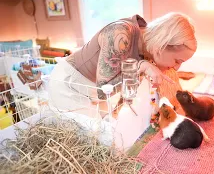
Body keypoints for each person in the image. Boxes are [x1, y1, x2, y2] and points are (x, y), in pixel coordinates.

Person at [47, 12, 197, 118]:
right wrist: (140, 67)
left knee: (111, 129)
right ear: (162, 46)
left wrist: (123, 107)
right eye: (178, 61)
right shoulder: (120, 34)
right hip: (70, 84)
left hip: (92, 91)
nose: (177, 68)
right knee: (97, 136)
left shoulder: (148, 49)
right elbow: (102, 90)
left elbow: (126, 89)